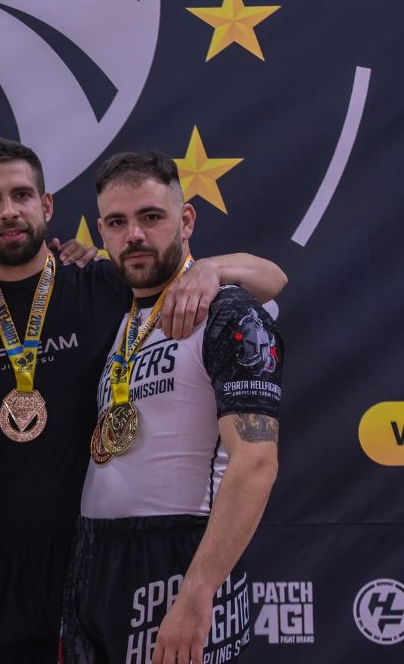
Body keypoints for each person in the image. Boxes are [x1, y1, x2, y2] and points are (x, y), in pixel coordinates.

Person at [0, 139, 286, 663]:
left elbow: (273, 279)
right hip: (10, 556)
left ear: (46, 205)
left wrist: (210, 268)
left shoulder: (107, 283)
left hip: (100, 548)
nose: (9, 211)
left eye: (21, 194)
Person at [60, 151, 282, 664]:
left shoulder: (226, 310)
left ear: (186, 220)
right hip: (94, 557)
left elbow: (256, 462)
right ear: (101, 230)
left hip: (178, 557)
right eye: (117, 222)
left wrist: (199, 591)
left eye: (151, 216)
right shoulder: (122, 309)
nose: (134, 235)